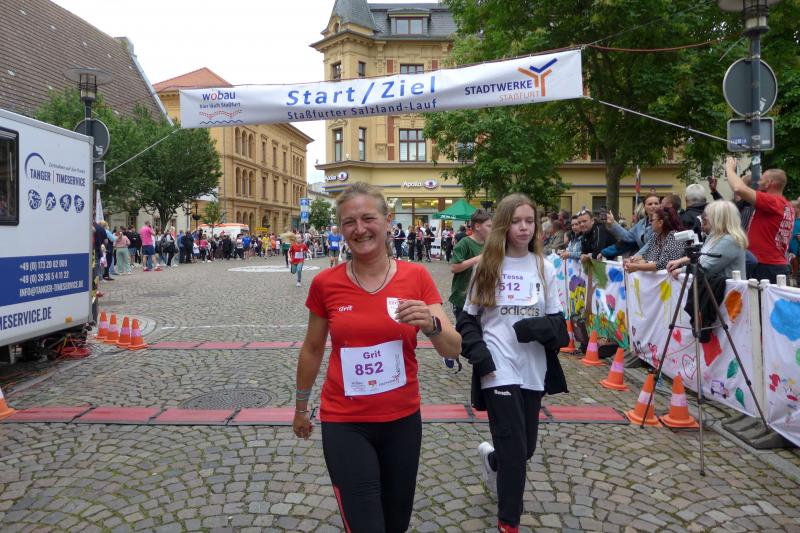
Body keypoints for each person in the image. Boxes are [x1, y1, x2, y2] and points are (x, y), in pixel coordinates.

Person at [292, 182, 460, 533]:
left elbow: (452, 348)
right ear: (341, 230)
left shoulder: (416, 277)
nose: (360, 229)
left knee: (396, 523)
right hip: (345, 422)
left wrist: (431, 325)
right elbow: (312, 348)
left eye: (368, 218)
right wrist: (300, 407)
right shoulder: (326, 283)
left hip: (402, 421)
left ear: (387, 221)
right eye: (349, 222)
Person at [457, 193, 567, 533]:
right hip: (497, 368)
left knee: (524, 448)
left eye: (529, 221)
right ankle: (509, 521)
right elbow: (467, 319)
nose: (523, 227)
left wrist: (536, 328)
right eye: (516, 221)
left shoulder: (545, 267)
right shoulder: (488, 266)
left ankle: (494, 459)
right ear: (503, 225)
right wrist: (481, 355)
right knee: (516, 451)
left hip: (533, 370)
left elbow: (559, 325)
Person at [725, 157, 793, 283]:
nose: (758, 182)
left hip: (765, 266)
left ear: (769, 183)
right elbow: (741, 193)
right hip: (774, 265)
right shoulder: (786, 205)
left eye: (761, 179)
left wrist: (729, 168)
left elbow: (738, 188)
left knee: (758, 297)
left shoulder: (773, 202)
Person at [667, 200, 747, 279]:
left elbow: (706, 268)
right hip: (715, 285)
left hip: (725, 287)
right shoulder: (714, 236)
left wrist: (681, 270)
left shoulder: (729, 240)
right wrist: (680, 261)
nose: (704, 219)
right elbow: (702, 257)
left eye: (707, 217)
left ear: (718, 219)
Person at [449, 209, 492, 322]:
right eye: (489, 226)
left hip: (480, 298)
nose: (492, 229)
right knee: (465, 328)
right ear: (477, 226)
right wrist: (478, 258)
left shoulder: (488, 244)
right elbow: (454, 267)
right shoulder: (465, 243)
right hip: (462, 298)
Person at [624, 207, 684, 273]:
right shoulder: (656, 236)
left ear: (660, 223)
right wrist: (635, 260)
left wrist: (636, 266)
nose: (650, 223)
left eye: (652, 220)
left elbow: (662, 264)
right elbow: (649, 257)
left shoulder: (674, 237)